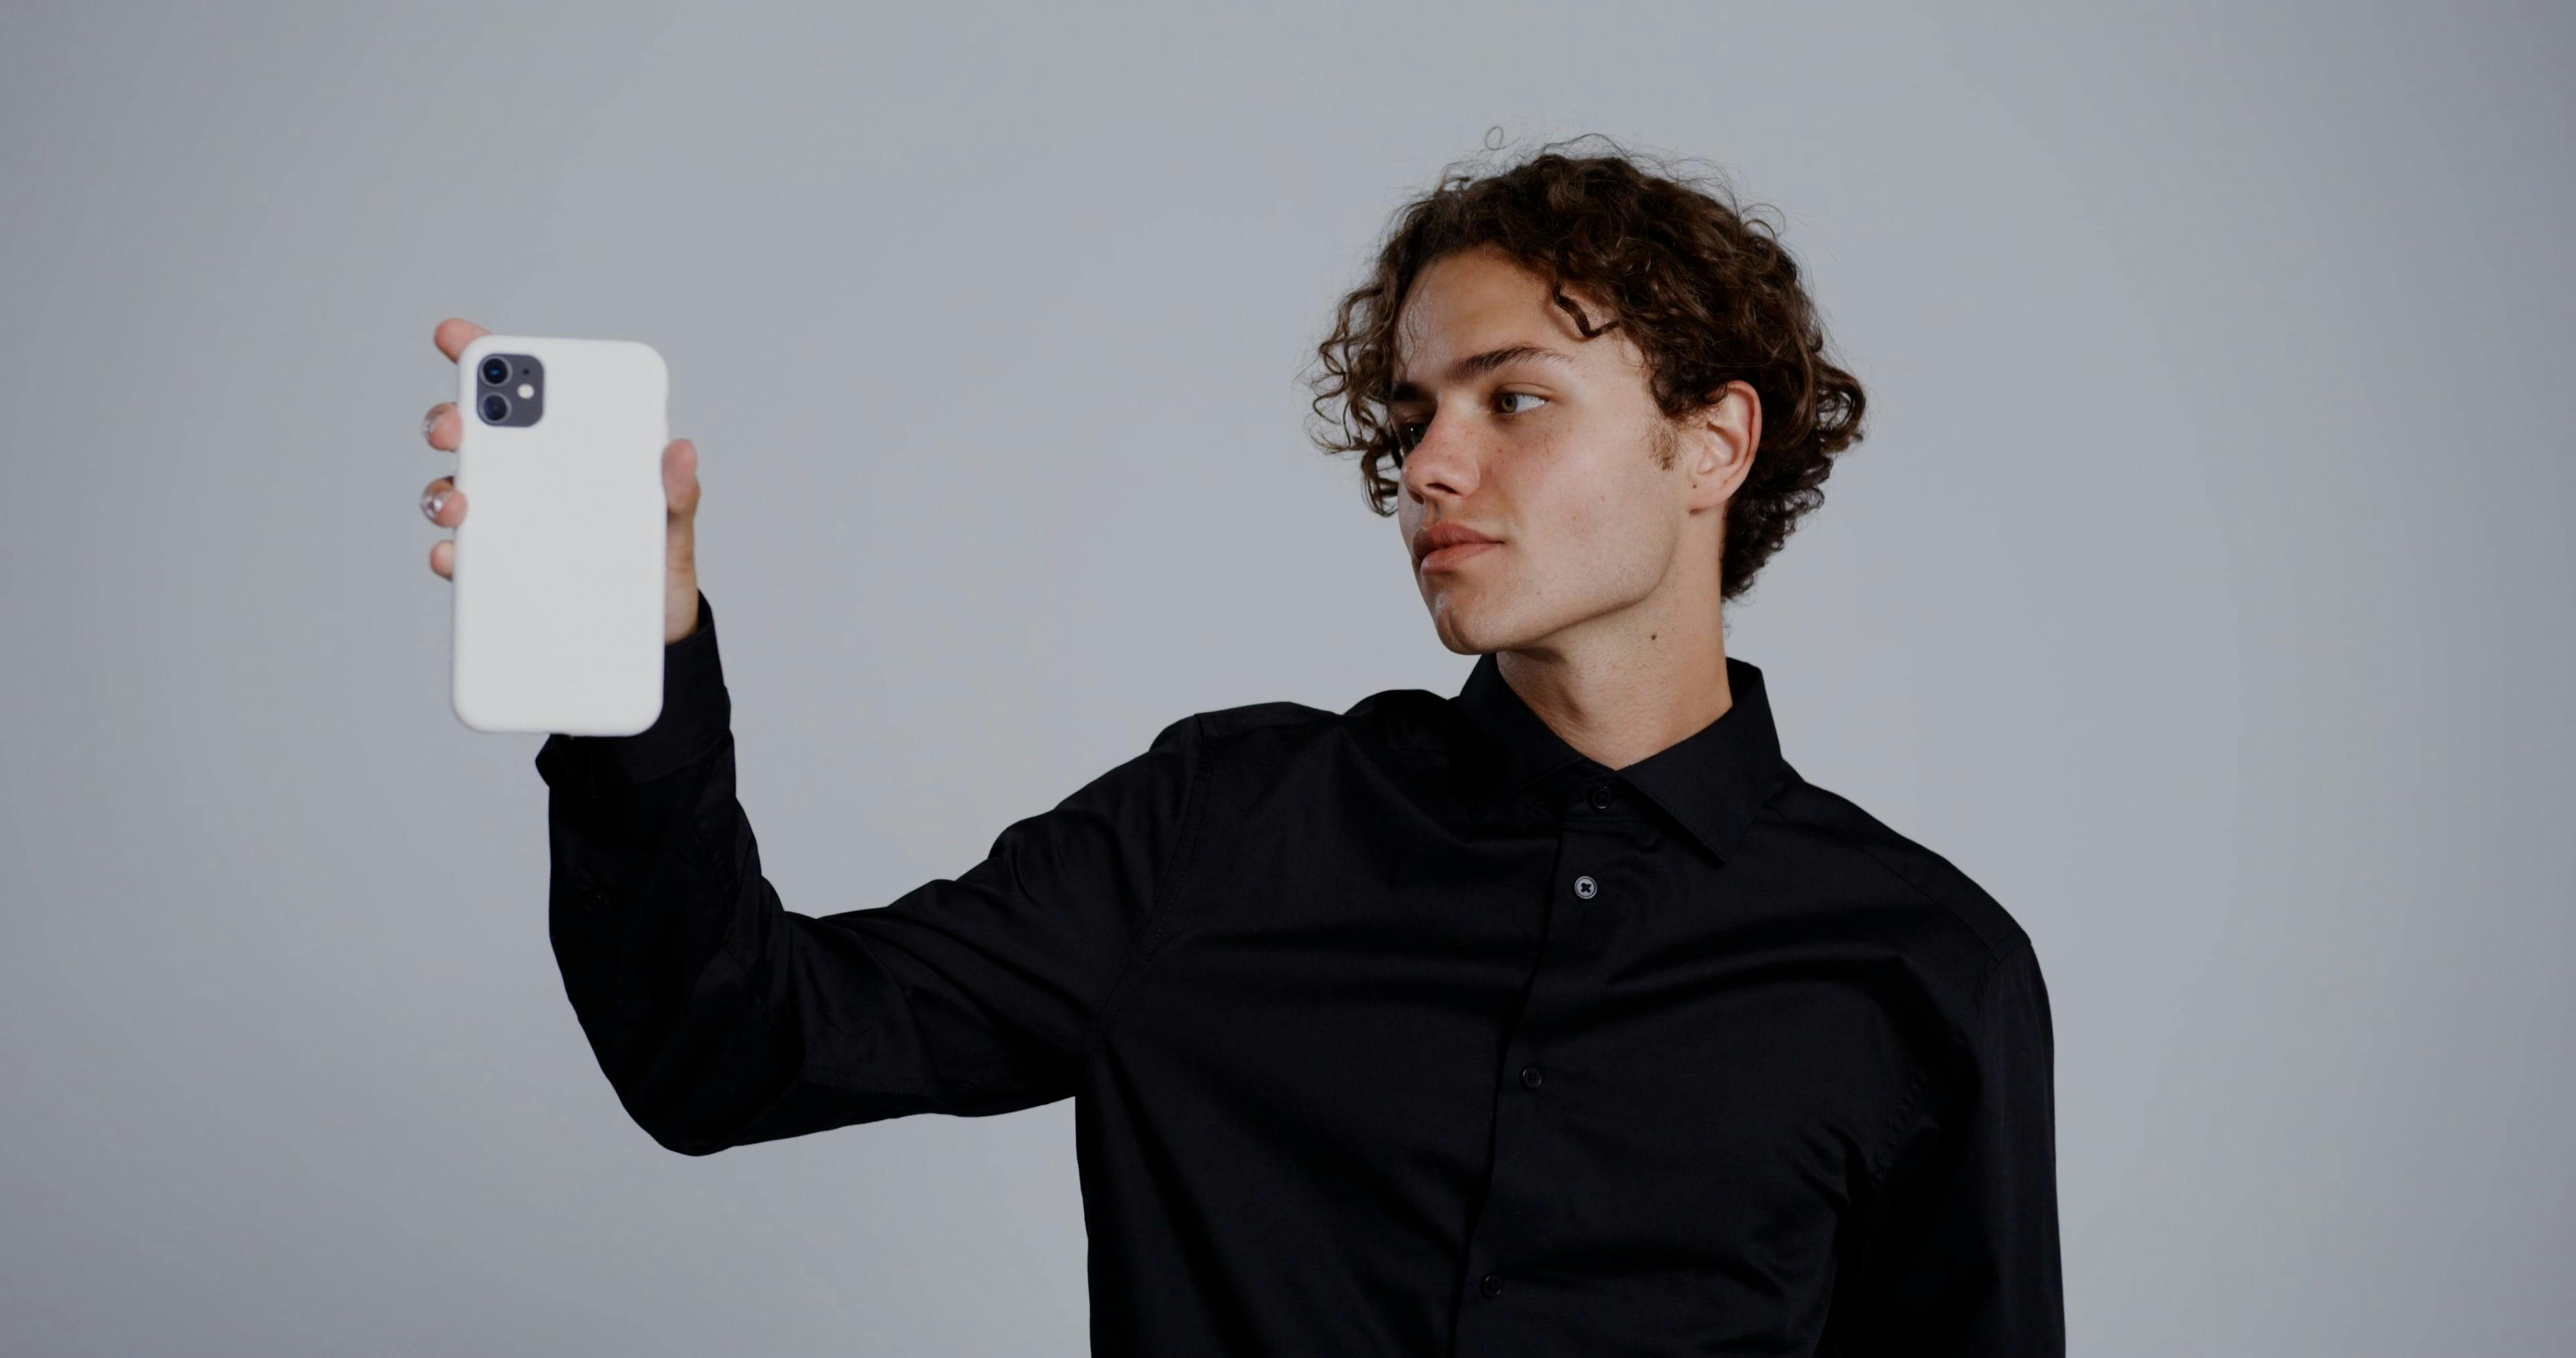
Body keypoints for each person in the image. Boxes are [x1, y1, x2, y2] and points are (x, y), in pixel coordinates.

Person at [416, 134, 2063, 1355]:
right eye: (1411, 416)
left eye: (1512, 398)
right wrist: (630, 667)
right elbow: (730, 1046)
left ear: (1712, 442)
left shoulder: (1925, 968)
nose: (1429, 466)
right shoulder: (1226, 828)